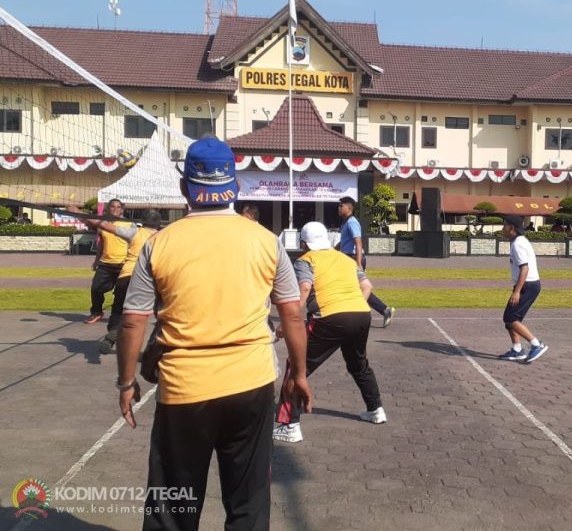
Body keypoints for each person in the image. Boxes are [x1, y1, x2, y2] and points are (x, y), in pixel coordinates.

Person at [116, 137, 312, 530]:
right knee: (248, 500)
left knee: (174, 505)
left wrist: (125, 381)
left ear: (186, 187)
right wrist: (300, 374)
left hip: (184, 386)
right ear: (234, 186)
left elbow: (133, 319)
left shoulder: (158, 244)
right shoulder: (265, 240)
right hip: (251, 382)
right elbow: (292, 313)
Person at [273, 221, 386, 442]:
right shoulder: (346, 259)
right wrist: (351, 308)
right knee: (358, 364)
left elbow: (304, 288)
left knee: (297, 366)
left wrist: (290, 319)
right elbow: (367, 287)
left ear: (303, 243)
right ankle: (375, 409)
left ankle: (290, 425)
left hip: (330, 316)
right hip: (362, 314)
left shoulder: (305, 260)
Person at [85, 210, 163, 355]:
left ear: (143, 221)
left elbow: (107, 226)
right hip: (148, 279)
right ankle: (152, 348)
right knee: (149, 315)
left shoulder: (134, 232)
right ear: (159, 223)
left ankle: (113, 333)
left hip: (126, 275)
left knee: (118, 309)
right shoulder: (163, 237)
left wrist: (80, 214)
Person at [337, 196, 395, 327]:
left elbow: (358, 243)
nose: (339, 208)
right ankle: (384, 310)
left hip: (353, 258)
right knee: (357, 288)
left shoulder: (352, 222)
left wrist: (358, 264)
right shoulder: (345, 222)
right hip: (348, 258)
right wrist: (333, 250)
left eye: (341, 206)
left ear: (349, 208)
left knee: (359, 288)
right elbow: (344, 242)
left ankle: (381, 310)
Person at [497, 215, 548, 363]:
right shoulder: (518, 242)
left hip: (528, 286)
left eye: (504, 225)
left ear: (511, 228)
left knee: (511, 318)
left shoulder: (518, 244)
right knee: (509, 320)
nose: (502, 228)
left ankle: (536, 345)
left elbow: (524, 269)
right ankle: (517, 350)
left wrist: (517, 291)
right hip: (526, 285)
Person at [85, 199, 130, 324]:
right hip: (105, 263)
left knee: (121, 293)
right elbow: (101, 245)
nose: (115, 209)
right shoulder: (102, 226)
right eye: (112, 207)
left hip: (123, 264)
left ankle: (118, 316)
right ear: (108, 209)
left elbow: (134, 244)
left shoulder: (129, 225)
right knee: (95, 289)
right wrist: (96, 261)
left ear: (122, 209)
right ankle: (96, 312)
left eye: (118, 207)